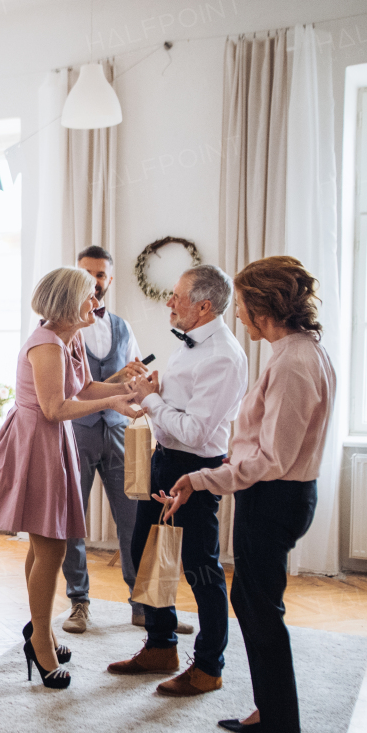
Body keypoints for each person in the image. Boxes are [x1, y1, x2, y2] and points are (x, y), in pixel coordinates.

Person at [155, 256, 335, 733]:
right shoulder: (298, 351)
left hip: (277, 496)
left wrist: (200, 478)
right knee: (254, 604)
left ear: (264, 308)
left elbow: (270, 460)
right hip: (279, 495)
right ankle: (268, 710)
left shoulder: (293, 362)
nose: (239, 318)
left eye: (246, 307)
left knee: (260, 613)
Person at [0, 267, 143, 690]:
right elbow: (54, 408)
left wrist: (122, 396)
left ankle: (42, 631)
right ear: (70, 302)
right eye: (90, 297)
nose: (96, 304)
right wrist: (116, 398)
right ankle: (40, 644)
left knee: (44, 545)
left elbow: (85, 390)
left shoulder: (71, 340)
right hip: (37, 442)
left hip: (53, 442)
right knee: (51, 548)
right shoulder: (46, 344)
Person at [107, 264, 247, 698]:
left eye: (178, 296)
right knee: (148, 553)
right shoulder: (189, 343)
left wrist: (150, 400)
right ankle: (162, 645)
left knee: (200, 568)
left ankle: (208, 665)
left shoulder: (223, 356)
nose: (169, 302)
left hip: (197, 469)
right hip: (163, 461)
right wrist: (154, 387)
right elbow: (180, 404)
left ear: (203, 306)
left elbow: (195, 431)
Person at [61, 245, 171, 636]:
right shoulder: (62, 329)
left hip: (120, 433)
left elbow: (135, 381)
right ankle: (79, 601)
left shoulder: (123, 327)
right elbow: (68, 392)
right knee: (73, 519)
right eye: (87, 273)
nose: (94, 280)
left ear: (110, 279)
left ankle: (141, 603)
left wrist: (141, 383)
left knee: (133, 519)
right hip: (77, 433)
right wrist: (114, 381)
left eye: (101, 274)